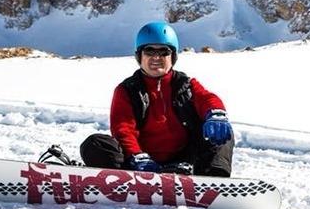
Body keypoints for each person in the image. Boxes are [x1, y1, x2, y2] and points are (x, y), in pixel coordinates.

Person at [80, 21, 234, 176]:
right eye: (149, 51)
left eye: (163, 52)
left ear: (173, 56)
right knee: (95, 144)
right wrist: (136, 155)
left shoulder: (185, 84)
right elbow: (123, 129)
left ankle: (214, 182)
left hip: (186, 158)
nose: (156, 57)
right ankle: (123, 182)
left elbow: (207, 98)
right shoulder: (127, 90)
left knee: (220, 130)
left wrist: (216, 114)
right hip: (140, 163)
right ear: (139, 56)